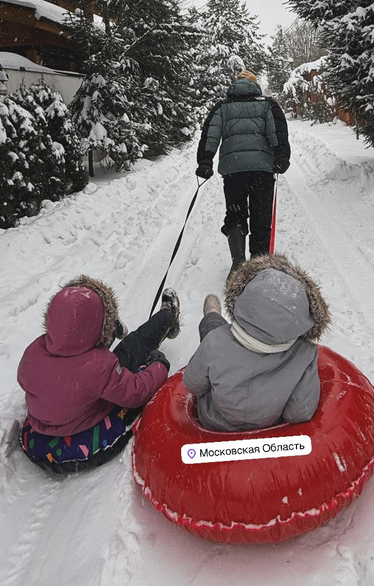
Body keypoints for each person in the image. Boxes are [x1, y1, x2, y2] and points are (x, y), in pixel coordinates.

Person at [17, 276, 180, 474]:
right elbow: (135, 392)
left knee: (84, 349)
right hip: (82, 432)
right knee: (134, 346)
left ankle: (113, 328)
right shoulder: (99, 367)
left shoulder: (33, 353)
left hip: (40, 434)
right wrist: (158, 365)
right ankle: (167, 316)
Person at [183, 253, 330, 432]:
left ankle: (212, 314)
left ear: (243, 296)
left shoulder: (214, 341)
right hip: (269, 428)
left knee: (215, 330)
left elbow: (193, 383)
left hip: (215, 421)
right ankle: (212, 315)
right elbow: (299, 412)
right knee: (219, 335)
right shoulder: (305, 354)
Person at [196, 70, 290, 271]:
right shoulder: (268, 105)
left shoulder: (222, 107)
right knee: (261, 217)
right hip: (262, 170)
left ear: (235, 85)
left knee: (235, 214)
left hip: (233, 170)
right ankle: (259, 266)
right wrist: (281, 156)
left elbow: (210, 134)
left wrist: (205, 161)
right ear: (255, 85)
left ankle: (238, 262)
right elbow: (278, 132)